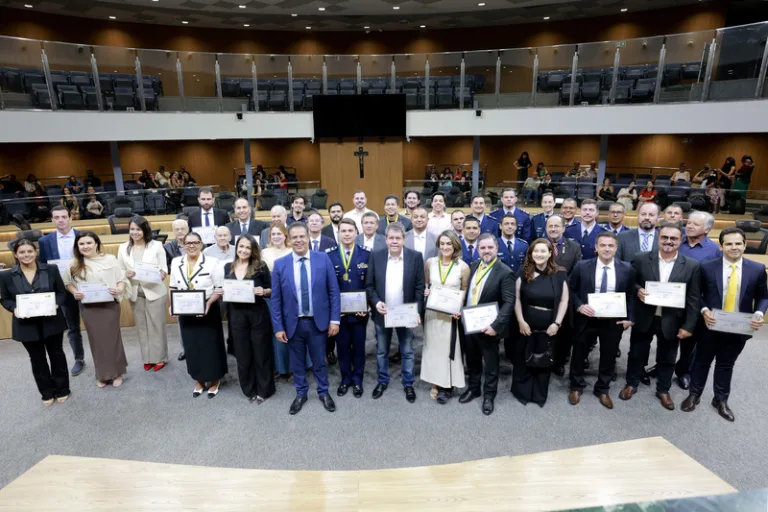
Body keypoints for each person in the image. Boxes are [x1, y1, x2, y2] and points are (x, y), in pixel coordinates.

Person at [682, 227, 768, 422]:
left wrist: (758, 312)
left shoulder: (757, 269)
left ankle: (720, 400)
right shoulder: (706, 267)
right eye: (729, 243)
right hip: (709, 325)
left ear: (745, 245)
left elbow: (763, 297)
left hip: (739, 328)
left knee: (726, 364)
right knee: (702, 361)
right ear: (721, 246)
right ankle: (694, 394)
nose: (734, 247)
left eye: (738, 243)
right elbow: (697, 295)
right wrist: (704, 311)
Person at [619, 222, 701, 411]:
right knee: (637, 353)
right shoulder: (640, 259)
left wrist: (688, 326)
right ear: (658, 238)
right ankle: (631, 384)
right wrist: (639, 290)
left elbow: (693, 299)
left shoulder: (691, 266)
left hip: (672, 320)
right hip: (644, 316)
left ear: (681, 241)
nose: (668, 241)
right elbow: (629, 283)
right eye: (664, 237)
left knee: (668, 357)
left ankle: (663, 389)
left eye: (673, 238)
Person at [272, 223, 341, 415]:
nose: (299, 240)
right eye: (294, 237)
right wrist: (278, 327)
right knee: (297, 362)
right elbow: (276, 299)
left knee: (319, 361)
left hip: (317, 322)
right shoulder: (280, 264)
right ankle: (301, 393)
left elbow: (334, 292)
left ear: (308, 237)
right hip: (292, 324)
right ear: (289, 239)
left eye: (302, 236)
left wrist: (335, 320)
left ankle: (323, 392)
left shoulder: (323, 259)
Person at [568, 232, 635, 409]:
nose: (606, 249)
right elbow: (571, 290)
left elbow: (631, 296)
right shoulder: (582, 266)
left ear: (616, 248)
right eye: (603, 245)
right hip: (586, 318)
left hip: (613, 321)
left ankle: (602, 389)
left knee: (609, 355)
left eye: (610, 245)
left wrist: (630, 319)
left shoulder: (626, 268)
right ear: (596, 247)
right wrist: (579, 306)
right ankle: (576, 386)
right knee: (579, 353)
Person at [0, 240, 70, 406]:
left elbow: (61, 292)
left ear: (35, 252)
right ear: (16, 255)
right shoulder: (6, 275)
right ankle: (46, 392)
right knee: (37, 359)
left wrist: (56, 304)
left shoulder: (50, 269)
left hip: (51, 321)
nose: (26, 255)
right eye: (22, 252)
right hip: (26, 325)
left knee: (57, 355)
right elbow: (5, 299)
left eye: (29, 251)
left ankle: (62, 389)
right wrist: (14, 309)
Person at [365, 222, 425, 403]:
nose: (394, 241)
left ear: (404, 239)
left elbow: (419, 287)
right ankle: (382, 381)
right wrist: (375, 303)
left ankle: (408, 383)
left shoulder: (415, 257)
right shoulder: (376, 256)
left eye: (398, 238)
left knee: (407, 351)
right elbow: (369, 286)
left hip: (405, 313)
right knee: (382, 350)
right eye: (391, 238)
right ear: (386, 239)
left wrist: (416, 311)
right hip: (383, 313)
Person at [63, 231, 129, 388]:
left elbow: (122, 280)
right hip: (89, 308)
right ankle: (102, 374)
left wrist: (119, 289)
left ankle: (116, 372)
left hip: (109, 306)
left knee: (112, 340)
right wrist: (75, 292)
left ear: (96, 244)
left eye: (89, 243)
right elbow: (67, 283)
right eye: (81, 244)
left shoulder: (110, 259)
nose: (85, 246)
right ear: (77, 247)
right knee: (96, 341)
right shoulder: (73, 264)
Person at [512, 238, 569, 408]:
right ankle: (522, 391)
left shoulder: (560, 273)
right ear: (531, 253)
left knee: (544, 359)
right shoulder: (523, 270)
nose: (539, 254)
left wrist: (557, 324)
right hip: (526, 323)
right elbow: (515, 298)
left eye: (543, 251)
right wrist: (521, 321)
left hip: (549, 326)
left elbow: (564, 301)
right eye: (535, 251)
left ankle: (539, 393)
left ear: (550, 253)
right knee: (523, 357)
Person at [169, 231, 227, 398]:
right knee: (192, 346)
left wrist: (208, 304)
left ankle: (215, 379)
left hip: (208, 309)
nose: (191, 246)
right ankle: (199, 379)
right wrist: (172, 304)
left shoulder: (212, 262)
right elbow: (173, 285)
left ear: (201, 244)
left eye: (195, 242)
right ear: (184, 245)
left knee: (211, 346)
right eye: (188, 243)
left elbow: (219, 288)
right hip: (185, 311)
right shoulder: (176, 262)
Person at [224, 234, 275, 404]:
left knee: (261, 353)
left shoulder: (260, 266)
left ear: (253, 250)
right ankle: (249, 389)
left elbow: (271, 289)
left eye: (248, 247)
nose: (244, 250)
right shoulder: (228, 267)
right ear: (236, 247)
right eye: (241, 246)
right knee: (243, 354)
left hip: (257, 313)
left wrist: (264, 291)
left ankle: (264, 390)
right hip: (237, 315)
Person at [675, 210, 722, 390]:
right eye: (689, 222)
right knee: (668, 336)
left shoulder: (713, 250)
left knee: (689, 340)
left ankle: (684, 371)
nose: (689, 226)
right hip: (671, 298)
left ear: (708, 229)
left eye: (695, 224)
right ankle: (663, 366)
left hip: (695, 302)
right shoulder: (679, 242)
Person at [421, 231, 470, 404]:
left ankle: (447, 384)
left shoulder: (462, 267)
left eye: (449, 244)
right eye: (442, 244)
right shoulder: (430, 263)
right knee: (432, 347)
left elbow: (464, 291)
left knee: (449, 350)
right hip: (433, 313)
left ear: (455, 245)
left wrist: (459, 308)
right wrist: (426, 292)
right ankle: (436, 380)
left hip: (450, 315)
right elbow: (427, 285)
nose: (445, 247)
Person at [117, 216, 169, 372]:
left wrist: (162, 274)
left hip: (154, 291)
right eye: (132, 229)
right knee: (141, 326)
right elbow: (119, 270)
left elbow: (164, 268)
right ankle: (147, 358)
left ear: (145, 229)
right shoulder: (123, 247)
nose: (134, 232)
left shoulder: (157, 246)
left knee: (156, 326)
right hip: (134, 292)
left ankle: (160, 358)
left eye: (138, 229)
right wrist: (126, 273)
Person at [37, 205, 85, 376]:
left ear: (70, 218)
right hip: (63, 290)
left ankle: (102, 357)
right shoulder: (44, 241)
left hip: (85, 286)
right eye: (56, 217)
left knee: (95, 324)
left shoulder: (83, 236)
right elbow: (43, 266)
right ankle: (79, 359)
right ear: (52, 220)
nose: (61, 220)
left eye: (64, 217)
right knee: (72, 327)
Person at [326, 218, 370, 398]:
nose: (346, 234)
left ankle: (358, 380)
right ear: (338, 234)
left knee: (359, 347)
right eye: (343, 231)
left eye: (350, 231)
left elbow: (370, 282)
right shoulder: (329, 255)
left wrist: (367, 305)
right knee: (342, 347)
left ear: (356, 233)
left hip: (360, 312)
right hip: (339, 313)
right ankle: (345, 379)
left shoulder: (367, 254)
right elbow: (327, 286)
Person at [547, 215, 583, 377]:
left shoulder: (574, 247)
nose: (553, 229)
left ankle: (560, 362)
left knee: (563, 332)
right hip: (543, 296)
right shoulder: (539, 245)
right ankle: (543, 358)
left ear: (563, 228)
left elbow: (577, 273)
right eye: (550, 226)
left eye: (556, 226)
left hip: (565, 296)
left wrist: (561, 288)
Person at [261, 222, 296, 378]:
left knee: (291, 331)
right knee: (275, 332)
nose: (276, 236)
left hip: (290, 298)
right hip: (270, 298)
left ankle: (292, 365)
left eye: (279, 233)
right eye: (273, 234)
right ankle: (278, 366)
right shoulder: (264, 253)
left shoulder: (292, 251)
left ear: (285, 235)